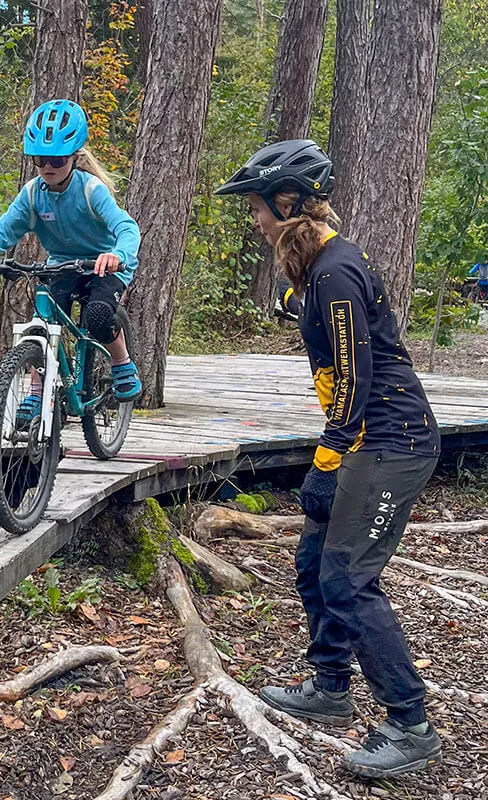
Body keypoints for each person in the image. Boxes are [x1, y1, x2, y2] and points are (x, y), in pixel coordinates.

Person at [217, 139, 443, 778]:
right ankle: (330, 688)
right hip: (363, 439)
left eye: (258, 208)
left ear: (286, 204)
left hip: (391, 443)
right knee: (316, 561)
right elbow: (325, 317)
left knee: (348, 578)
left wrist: (327, 458)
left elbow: (355, 370)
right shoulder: (321, 270)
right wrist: (293, 301)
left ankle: (410, 724)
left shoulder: (336, 271)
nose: (255, 220)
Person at [0, 99, 142, 415]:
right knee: (44, 325)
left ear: (74, 158)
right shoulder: (33, 193)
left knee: (99, 315)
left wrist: (118, 254)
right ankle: (37, 392)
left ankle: (121, 361)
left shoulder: (91, 190)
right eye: (40, 159)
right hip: (62, 264)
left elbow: (126, 227)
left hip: (103, 265)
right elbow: (4, 227)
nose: (48, 167)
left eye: (58, 160)